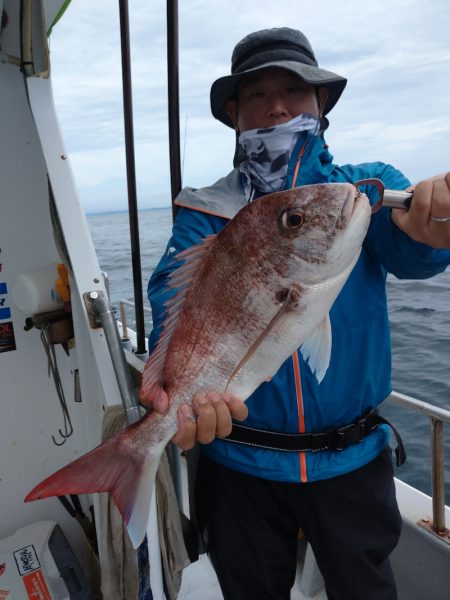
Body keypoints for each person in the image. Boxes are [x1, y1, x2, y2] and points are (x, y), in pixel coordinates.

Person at [145, 28, 450, 600]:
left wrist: (434, 226)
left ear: (322, 104)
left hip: (352, 461)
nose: (278, 105)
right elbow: (170, 298)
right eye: (257, 95)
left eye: (295, 89)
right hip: (238, 464)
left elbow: (413, 248)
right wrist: (172, 392)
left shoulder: (360, 193)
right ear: (235, 114)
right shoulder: (204, 211)